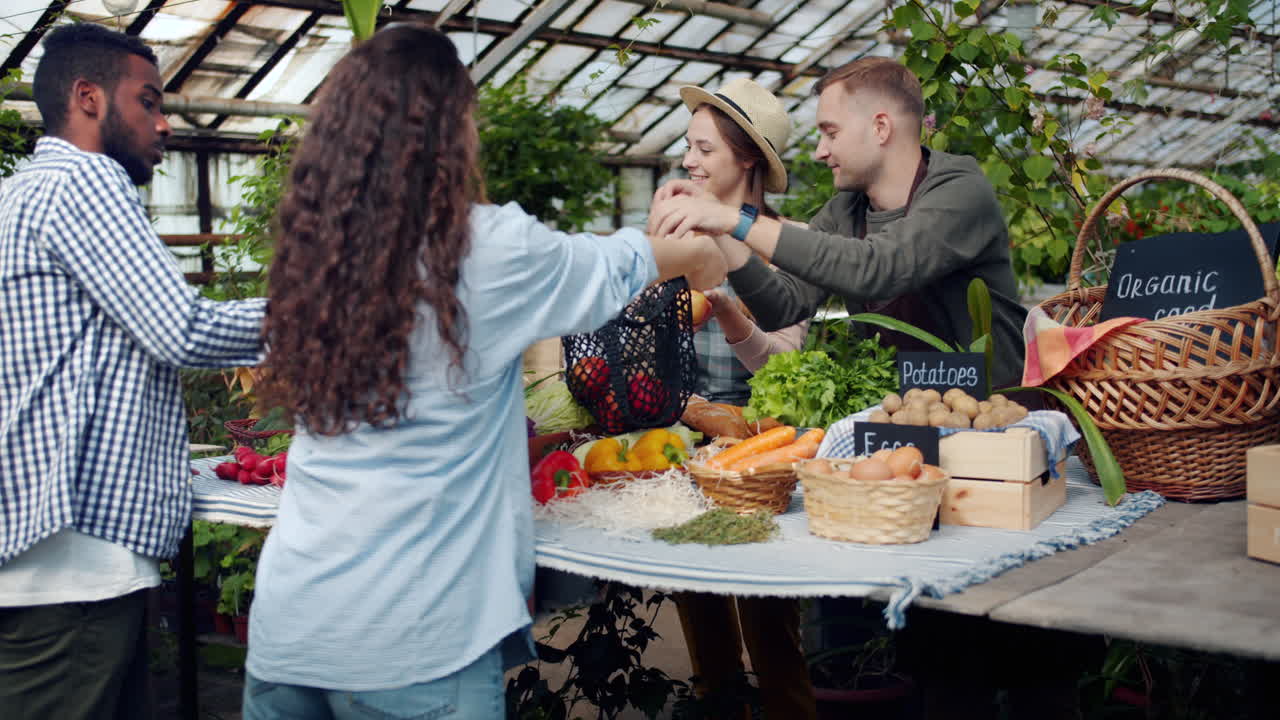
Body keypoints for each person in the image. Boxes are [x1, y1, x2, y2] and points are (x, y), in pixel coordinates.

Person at [241, 23, 724, 719]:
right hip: (413, 639)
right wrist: (701, 255)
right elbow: (619, 266)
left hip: (294, 623)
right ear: (449, 131)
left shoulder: (321, 252)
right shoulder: (483, 248)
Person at [0, 23, 267, 720]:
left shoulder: (23, 190)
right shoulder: (84, 181)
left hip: (53, 559)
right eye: (147, 101)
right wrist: (336, 313)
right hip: (73, 571)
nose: (164, 121)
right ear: (88, 98)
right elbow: (180, 328)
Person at [649, 56, 1027, 389]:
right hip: (908, 415)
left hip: (995, 417)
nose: (820, 151)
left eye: (831, 132)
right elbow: (782, 306)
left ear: (881, 128)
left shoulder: (959, 190)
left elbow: (879, 267)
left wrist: (734, 218)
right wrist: (724, 233)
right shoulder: (846, 210)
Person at [667, 78, 816, 720]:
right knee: (700, 619)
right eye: (688, 146)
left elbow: (784, 362)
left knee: (771, 622)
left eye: (704, 148)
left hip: (764, 454)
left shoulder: (792, 241)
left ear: (746, 158)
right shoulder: (675, 232)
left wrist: (729, 312)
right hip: (681, 445)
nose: (690, 160)